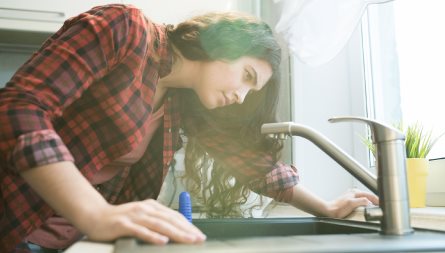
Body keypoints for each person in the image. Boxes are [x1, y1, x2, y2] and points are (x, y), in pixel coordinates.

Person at [0, 4, 379, 253]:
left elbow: (253, 165)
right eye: (246, 76)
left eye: (253, 90)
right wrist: (95, 213)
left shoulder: (182, 103)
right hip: (14, 226)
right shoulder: (125, 29)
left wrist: (325, 207)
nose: (242, 96)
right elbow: (19, 108)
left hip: (64, 243)